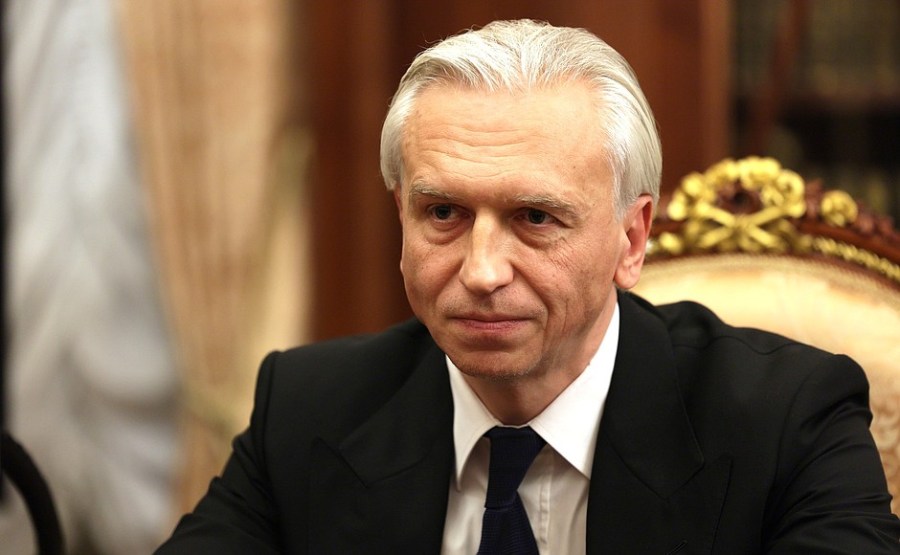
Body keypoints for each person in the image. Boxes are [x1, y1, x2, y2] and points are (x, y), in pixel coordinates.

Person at [156, 19, 900, 554]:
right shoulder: (307, 410)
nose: (481, 271)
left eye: (535, 218)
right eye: (443, 213)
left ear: (631, 239)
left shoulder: (786, 421)